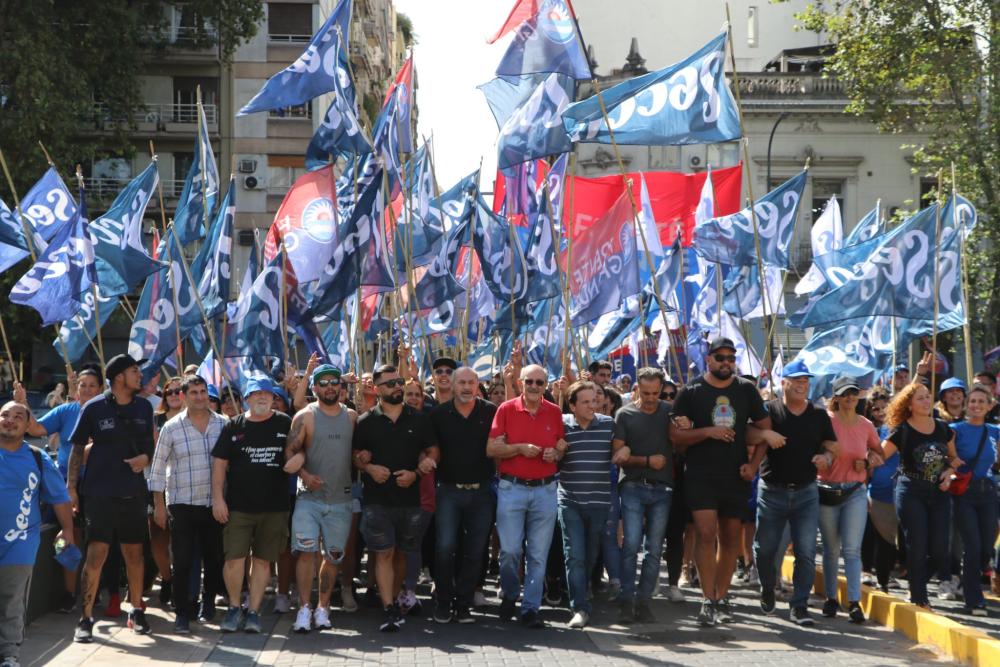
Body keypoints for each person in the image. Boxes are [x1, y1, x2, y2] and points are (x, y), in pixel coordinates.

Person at [670, 337, 770, 627]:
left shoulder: (746, 390)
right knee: (704, 533)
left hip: (734, 477)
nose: (726, 362)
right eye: (720, 357)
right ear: (708, 360)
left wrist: (753, 466)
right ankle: (707, 599)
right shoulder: (690, 392)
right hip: (700, 475)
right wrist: (708, 432)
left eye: (731, 357)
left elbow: (765, 430)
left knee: (729, 538)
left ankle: (721, 597)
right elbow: (676, 437)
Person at [69, 354, 155, 642]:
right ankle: (85, 618)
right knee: (96, 555)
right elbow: (77, 449)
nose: (139, 376)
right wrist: (71, 488)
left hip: (133, 494)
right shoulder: (93, 408)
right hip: (99, 495)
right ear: (119, 377)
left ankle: (137, 610)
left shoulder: (144, 407)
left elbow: (150, 447)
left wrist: (145, 458)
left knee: (135, 555)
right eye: (134, 371)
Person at [748, 360, 837, 626]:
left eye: (805, 380)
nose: (802, 385)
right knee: (764, 550)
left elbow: (832, 445)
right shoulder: (770, 410)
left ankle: (799, 606)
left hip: (806, 493)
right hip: (771, 492)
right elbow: (747, 435)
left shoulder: (819, 414)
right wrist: (766, 433)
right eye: (796, 380)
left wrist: (826, 457)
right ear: (783, 383)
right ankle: (767, 586)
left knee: (806, 552)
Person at [351, 365, 438, 632]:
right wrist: (367, 467)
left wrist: (417, 471)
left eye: (399, 382)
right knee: (383, 552)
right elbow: (355, 456)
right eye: (390, 384)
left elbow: (433, 451)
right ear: (377, 389)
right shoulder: (365, 421)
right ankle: (388, 608)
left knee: (402, 553)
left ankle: (398, 598)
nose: (397, 387)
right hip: (377, 500)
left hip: (410, 500)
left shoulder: (420, 418)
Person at [487, 364, 568, 628]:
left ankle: (531, 608)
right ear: (520, 382)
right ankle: (510, 593)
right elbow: (492, 448)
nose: (534, 387)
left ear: (546, 385)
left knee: (538, 554)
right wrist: (519, 448)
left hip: (545, 490)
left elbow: (560, 444)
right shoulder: (506, 409)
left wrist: (555, 454)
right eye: (529, 382)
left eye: (540, 383)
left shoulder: (554, 411)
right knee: (509, 550)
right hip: (512, 489)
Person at [211, 377, 292, 634]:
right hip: (238, 507)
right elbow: (220, 465)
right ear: (246, 398)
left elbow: (301, 448)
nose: (262, 398)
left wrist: (299, 457)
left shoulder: (284, 423)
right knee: (234, 559)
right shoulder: (234, 426)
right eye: (256, 394)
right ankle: (235, 608)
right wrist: (217, 499)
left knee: (263, 561)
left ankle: (254, 612)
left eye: (267, 394)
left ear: (273, 398)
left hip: (274, 507)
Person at [18, 368, 103, 612]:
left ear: (101, 389)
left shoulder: (107, 413)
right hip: (63, 487)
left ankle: (95, 589)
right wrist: (22, 401)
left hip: (98, 485)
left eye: (92, 385)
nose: (86, 390)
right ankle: (69, 592)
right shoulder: (67, 411)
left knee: (98, 540)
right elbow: (34, 429)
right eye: (82, 385)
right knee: (68, 537)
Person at [149, 375, 228, 632]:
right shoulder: (171, 428)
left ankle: (208, 603)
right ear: (184, 396)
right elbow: (157, 468)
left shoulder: (223, 425)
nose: (200, 397)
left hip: (213, 503)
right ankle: (182, 612)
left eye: (203, 392)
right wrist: (159, 506)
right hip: (181, 503)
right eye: (193, 392)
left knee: (214, 559)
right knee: (181, 561)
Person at [283, 365, 357, 633]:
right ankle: (304, 607)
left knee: (334, 556)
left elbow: (358, 452)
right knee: (305, 553)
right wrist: (304, 473)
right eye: (323, 383)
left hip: (341, 500)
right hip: (309, 499)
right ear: (314, 388)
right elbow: (289, 453)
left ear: (340, 386)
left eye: (334, 382)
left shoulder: (351, 417)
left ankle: (323, 607)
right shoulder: (305, 417)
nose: (329, 387)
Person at [0, 401, 74, 667]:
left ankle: (9, 654)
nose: (10, 420)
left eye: (18, 416)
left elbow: (60, 498)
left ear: (27, 424)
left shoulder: (36, 457)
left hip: (20, 542)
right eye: (5, 415)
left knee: (12, 601)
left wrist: (67, 530)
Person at [880, 382, 960, 608]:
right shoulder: (902, 431)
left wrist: (948, 474)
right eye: (920, 398)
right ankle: (919, 597)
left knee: (940, 549)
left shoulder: (944, 429)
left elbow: (953, 460)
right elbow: (878, 456)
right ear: (909, 405)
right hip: (910, 490)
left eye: (928, 397)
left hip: (939, 492)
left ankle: (917, 583)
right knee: (917, 545)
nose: (926, 401)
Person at [430, 367, 498, 624]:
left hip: (481, 492)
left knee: (476, 550)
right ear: (453, 385)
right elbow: (430, 449)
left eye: (471, 382)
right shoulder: (438, 414)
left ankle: (463, 603)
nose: (466, 387)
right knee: (445, 547)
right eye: (462, 382)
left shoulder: (491, 411)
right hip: (448, 491)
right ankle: (444, 602)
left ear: (478, 384)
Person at [610, 368, 674, 625]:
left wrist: (685, 426)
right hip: (633, 486)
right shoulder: (624, 414)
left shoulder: (669, 412)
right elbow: (618, 457)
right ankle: (627, 600)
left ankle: (644, 602)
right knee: (631, 545)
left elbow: (682, 439)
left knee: (655, 550)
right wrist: (647, 460)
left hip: (663, 489)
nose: (650, 398)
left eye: (655, 393)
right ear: (636, 388)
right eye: (645, 392)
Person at [819, 377, 883, 623]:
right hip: (826, 490)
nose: (850, 398)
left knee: (852, 549)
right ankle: (831, 598)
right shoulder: (826, 422)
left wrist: (867, 461)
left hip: (855, 490)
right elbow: (814, 448)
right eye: (845, 394)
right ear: (835, 397)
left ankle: (855, 602)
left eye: (853, 394)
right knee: (831, 550)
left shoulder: (866, 425)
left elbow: (879, 453)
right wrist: (824, 456)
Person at [557, 380, 616, 629]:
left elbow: (626, 446)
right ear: (572, 405)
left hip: (599, 503)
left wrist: (624, 453)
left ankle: (585, 587)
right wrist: (557, 451)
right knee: (575, 556)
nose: (593, 405)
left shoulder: (609, 425)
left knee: (590, 556)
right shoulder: (561, 425)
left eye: (595, 400)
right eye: (586, 401)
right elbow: (552, 460)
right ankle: (579, 608)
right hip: (569, 501)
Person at [950, 385, 999, 616]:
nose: (976, 405)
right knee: (973, 545)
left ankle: (967, 580)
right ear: (966, 404)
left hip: (989, 492)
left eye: (981, 401)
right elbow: (943, 455)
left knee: (986, 548)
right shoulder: (954, 429)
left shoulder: (995, 431)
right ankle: (974, 598)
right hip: (964, 493)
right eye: (972, 401)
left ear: (990, 406)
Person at [149, 376, 184, 608]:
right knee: (157, 542)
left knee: (181, 544)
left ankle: (183, 586)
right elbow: (154, 453)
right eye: (169, 392)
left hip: (184, 487)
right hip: (158, 484)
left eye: (178, 391)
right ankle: (168, 579)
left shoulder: (193, 419)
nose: (173, 395)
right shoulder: (156, 419)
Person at [864, 388, 899, 593]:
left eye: (885, 407)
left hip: (900, 492)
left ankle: (886, 575)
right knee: (874, 535)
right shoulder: (871, 432)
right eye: (875, 408)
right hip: (875, 492)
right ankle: (868, 570)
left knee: (892, 538)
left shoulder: (901, 429)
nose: (880, 411)